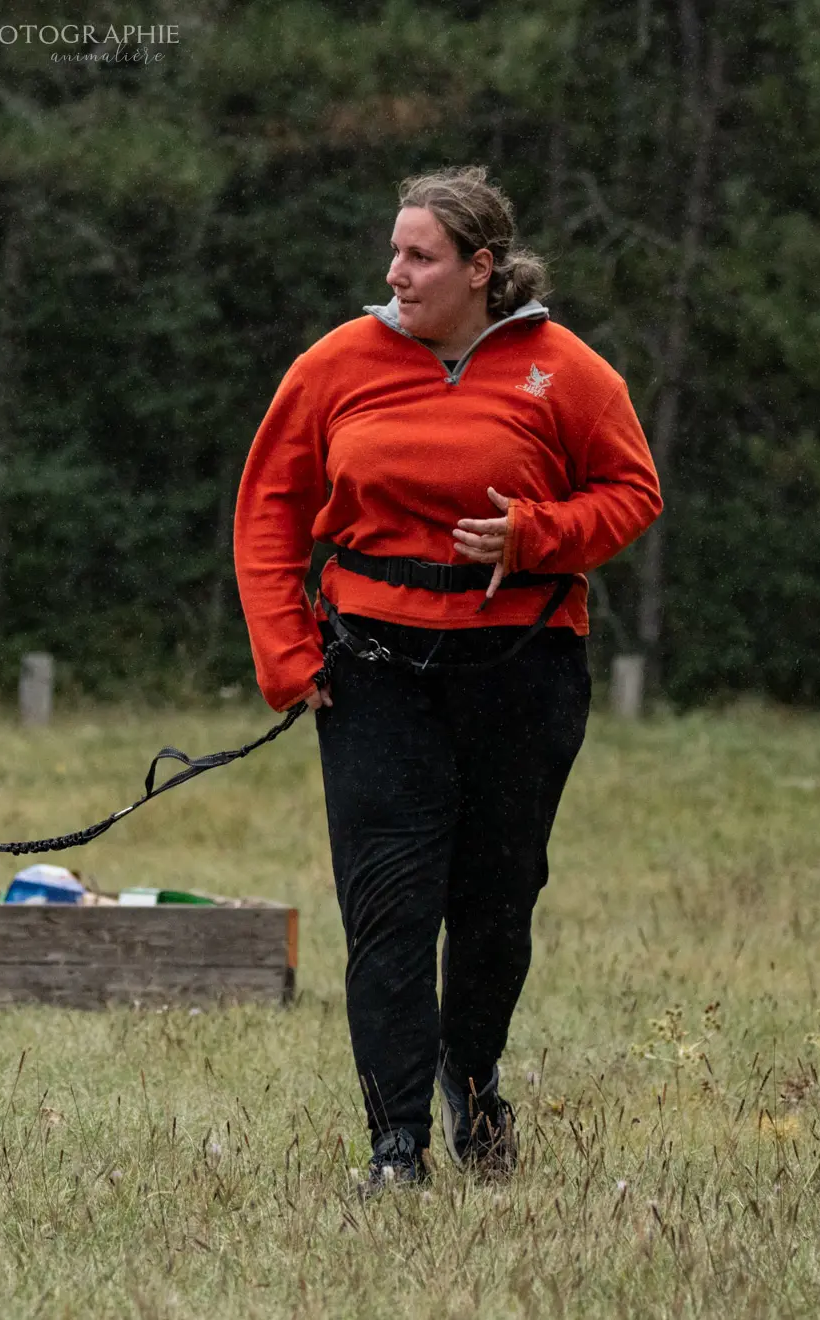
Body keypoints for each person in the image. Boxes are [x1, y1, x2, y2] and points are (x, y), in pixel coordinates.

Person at [231, 165, 662, 1191]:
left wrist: (536, 536)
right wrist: (288, 657)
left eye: (418, 257)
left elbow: (631, 492)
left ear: (480, 268)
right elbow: (266, 511)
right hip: (372, 673)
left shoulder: (565, 370)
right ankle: (394, 1148)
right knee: (386, 906)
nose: (395, 273)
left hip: (520, 673)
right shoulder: (336, 362)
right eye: (393, 253)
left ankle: (472, 1082)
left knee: (495, 904)